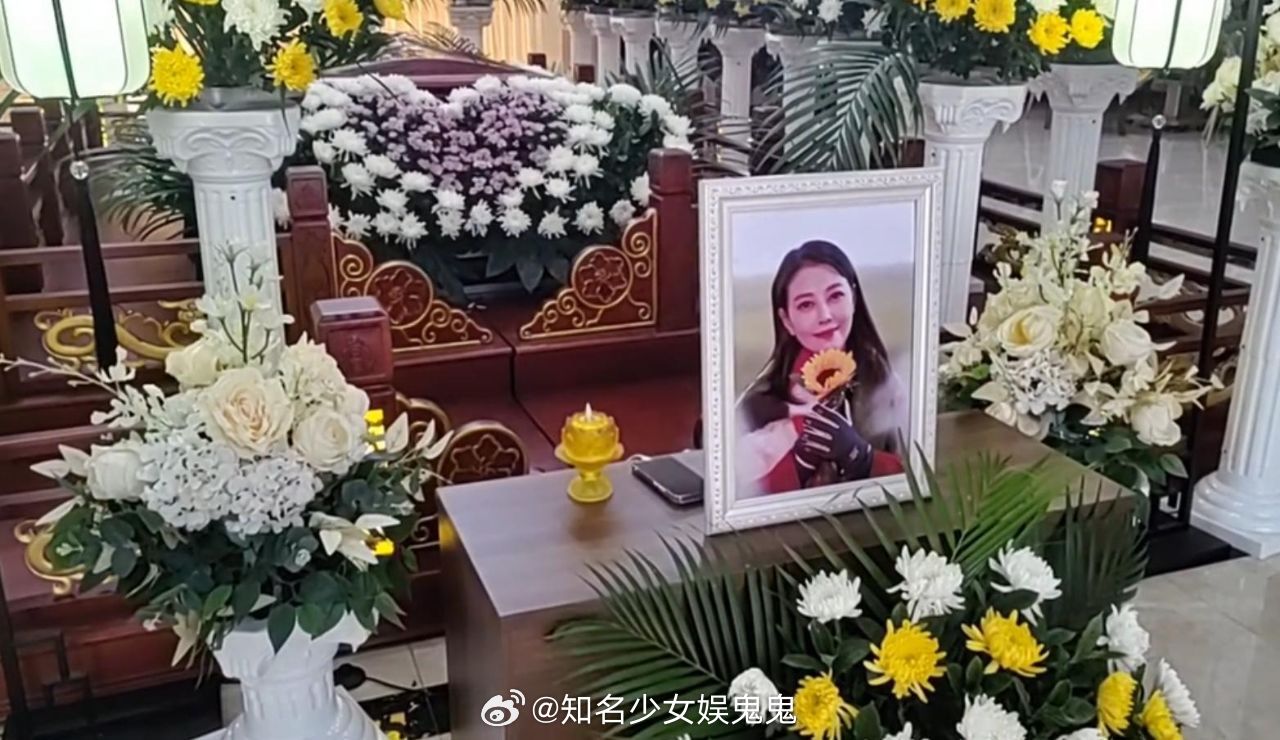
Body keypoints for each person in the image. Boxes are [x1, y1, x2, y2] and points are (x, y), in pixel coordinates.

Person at [737, 240, 907, 496]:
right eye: (806, 305)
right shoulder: (765, 397)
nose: (825, 315)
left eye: (835, 296)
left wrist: (864, 458)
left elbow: (918, 473)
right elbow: (734, 488)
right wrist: (798, 465)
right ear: (787, 320)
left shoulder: (884, 381)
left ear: (854, 298)